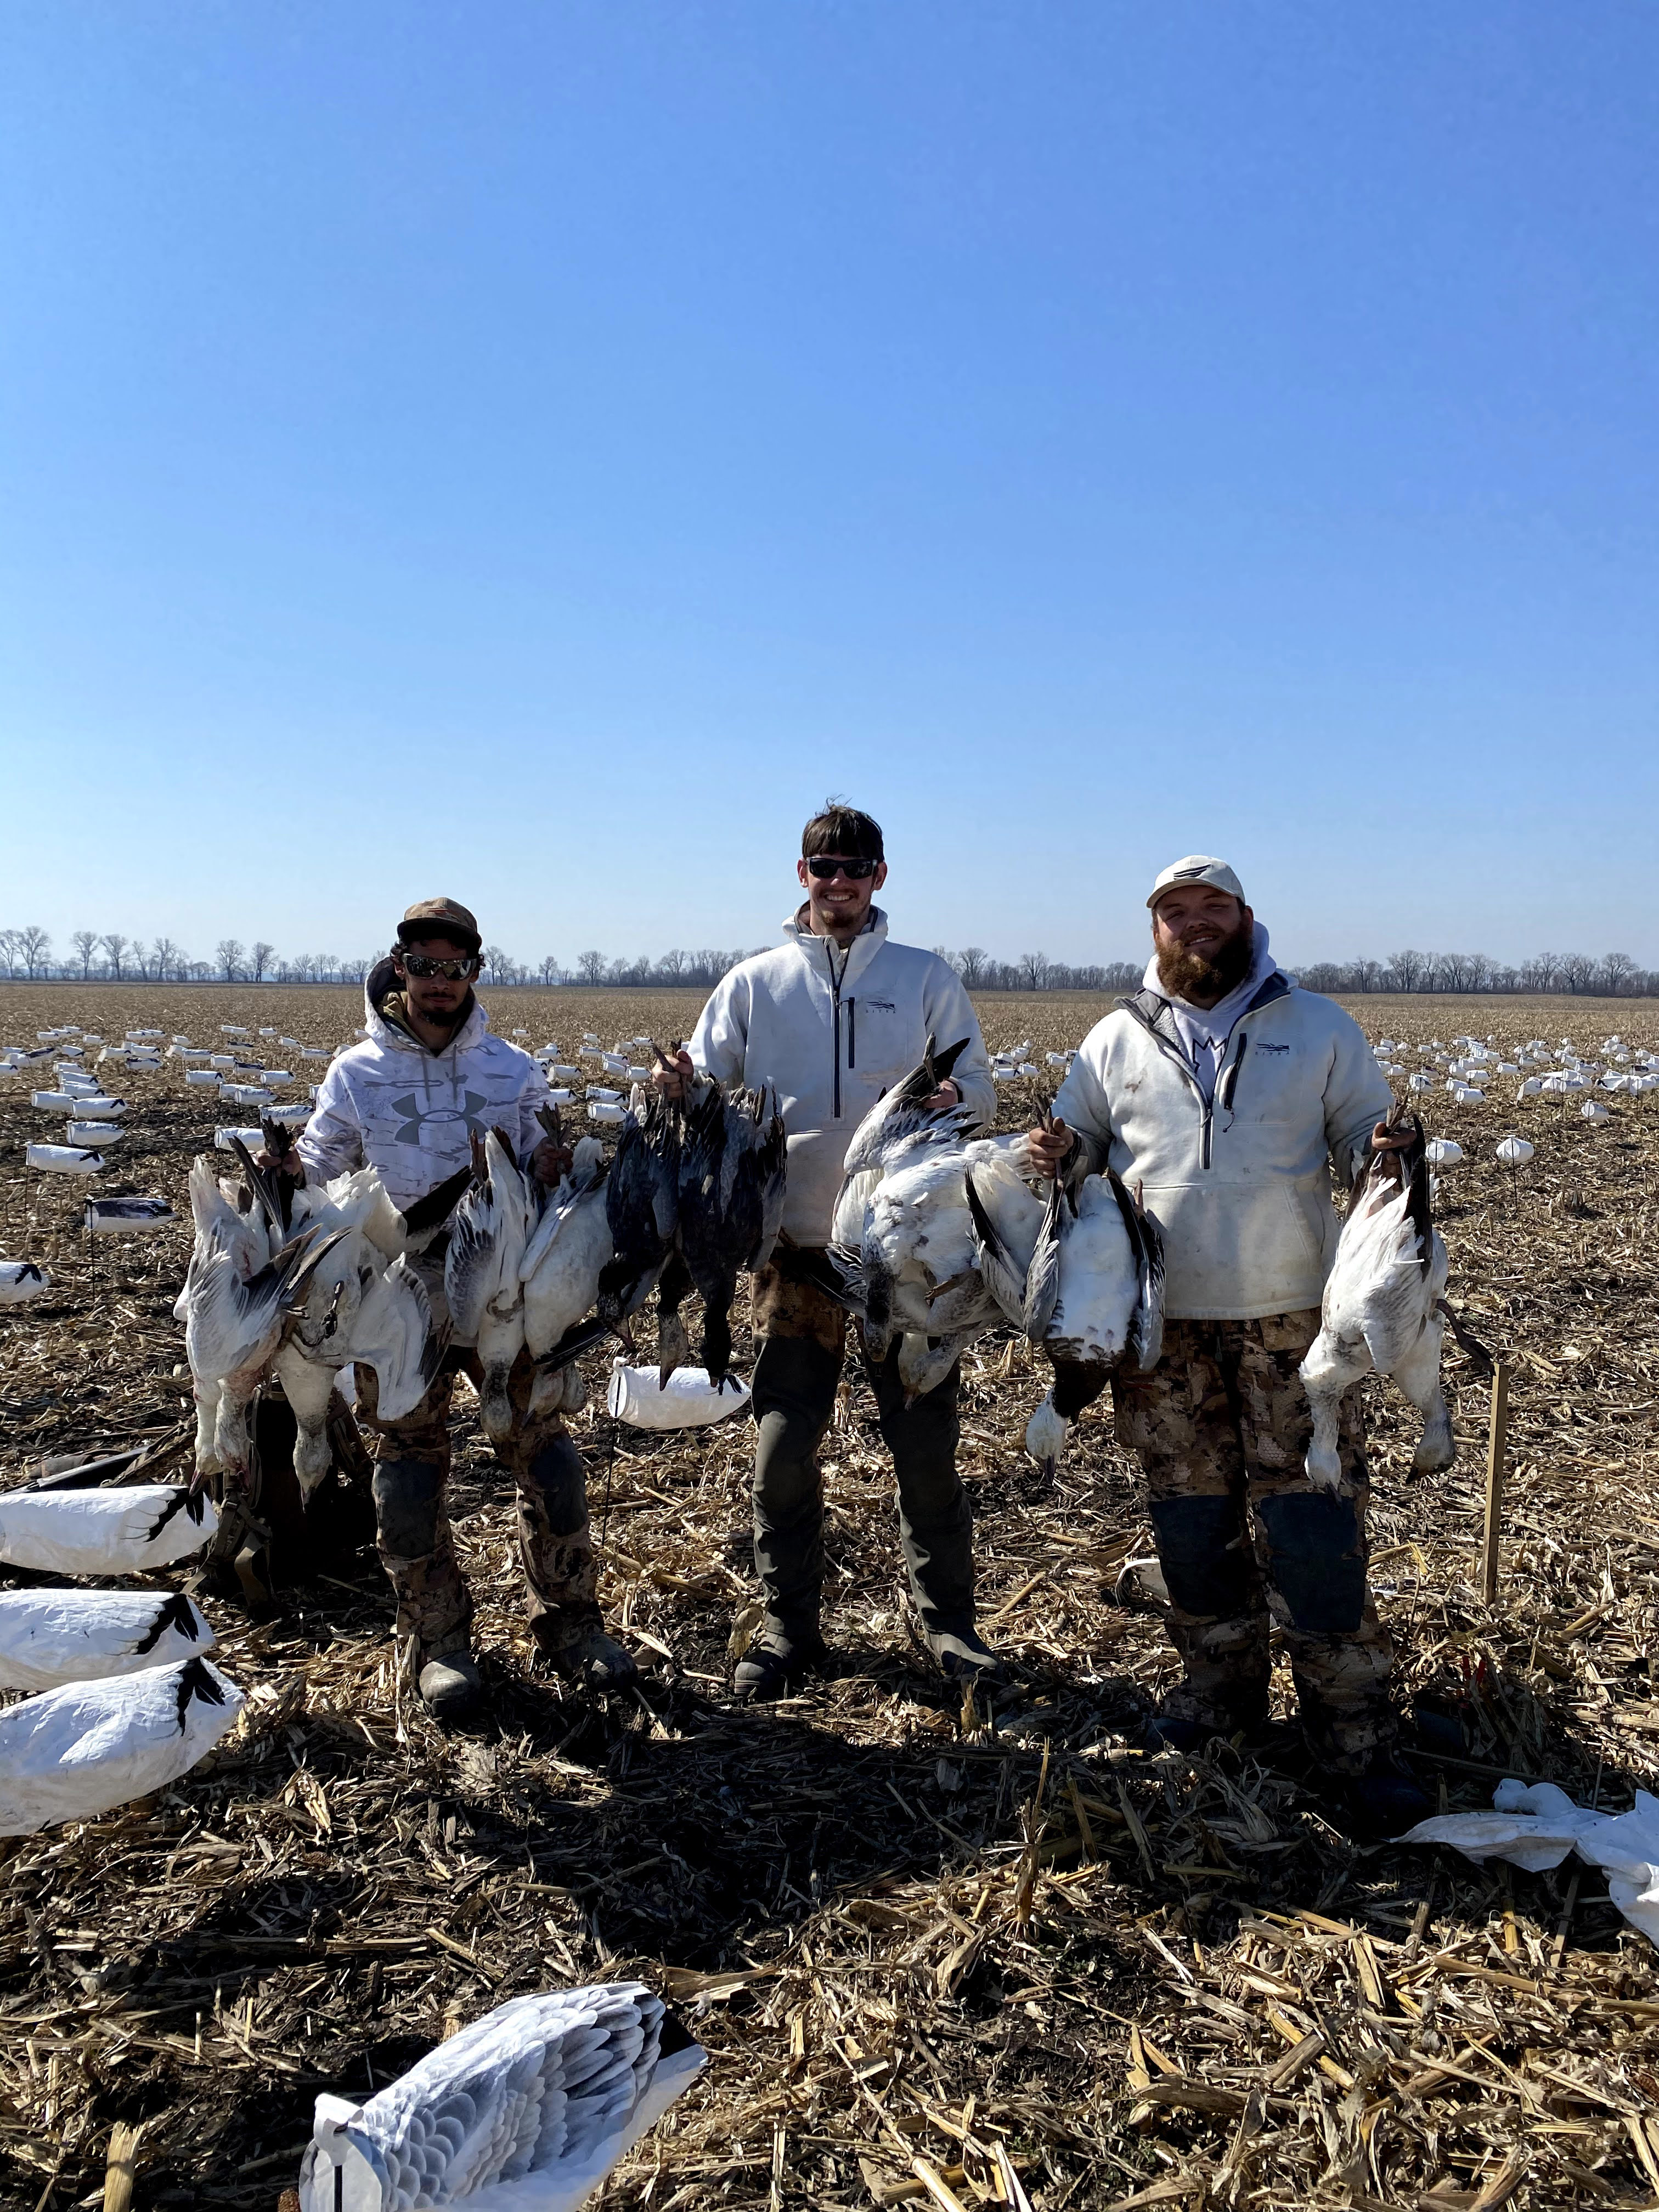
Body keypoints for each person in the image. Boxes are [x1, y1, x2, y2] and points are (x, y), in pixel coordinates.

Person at [1027, 857, 1430, 1833]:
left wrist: (1387, 1154)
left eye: (1213, 909)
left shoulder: (1319, 1026)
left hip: (1296, 1319)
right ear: (1154, 927)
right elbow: (1079, 1143)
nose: (1195, 925)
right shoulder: (1114, 1038)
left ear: (1248, 918)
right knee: (1190, 1516)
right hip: (1159, 1326)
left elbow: (1355, 1148)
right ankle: (1221, 1703)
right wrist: (1054, 1153)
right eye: (1176, 912)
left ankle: (1352, 1731)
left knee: (1313, 1522)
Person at [654, 804, 1000, 1701]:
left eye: (854, 868)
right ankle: (788, 1626)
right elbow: (706, 1098)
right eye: (822, 868)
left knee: (925, 1455)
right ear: (799, 876)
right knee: (780, 1454)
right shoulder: (753, 984)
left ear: (880, 876)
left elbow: (984, 1100)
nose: (838, 883)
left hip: (903, 1262)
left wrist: (959, 1099)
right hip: (794, 1256)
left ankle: (949, 1631)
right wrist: (683, 1090)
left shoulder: (926, 980)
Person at [266, 898, 635, 1722]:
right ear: (400, 968)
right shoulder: (354, 1074)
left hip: (501, 1287)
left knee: (548, 1459)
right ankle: (437, 1643)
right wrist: (291, 1174)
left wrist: (546, 1158)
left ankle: (573, 1625)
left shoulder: (510, 1067)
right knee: (407, 1473)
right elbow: (324, 1169)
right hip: (399, 1295)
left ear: (476, 970)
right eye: (424, 966)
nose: (440, 983)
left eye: (455, 967)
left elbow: (549, 1153)